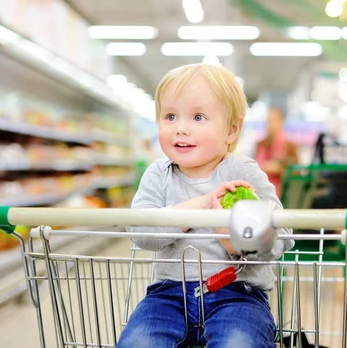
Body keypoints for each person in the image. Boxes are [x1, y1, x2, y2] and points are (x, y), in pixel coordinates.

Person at [117, 64, 294, 348]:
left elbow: (282, 235)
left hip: (239, 295)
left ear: (232, 130)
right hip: (167, 296)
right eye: (170, 116)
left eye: (198, 117)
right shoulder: (157, 175)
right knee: (138, 343)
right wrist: (200, 204)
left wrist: (237, 238)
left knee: (239, 344)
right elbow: (141, 233)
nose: (181, 128)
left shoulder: (244, 172)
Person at [255, 108, 299, 197]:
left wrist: (279, 169)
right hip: (260, 192)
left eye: (274, 120)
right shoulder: (261, 144)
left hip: (284, 194)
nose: (271, 124)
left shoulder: (290, 145)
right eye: (269, 121)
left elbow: (297, 172)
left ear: (281, 122)